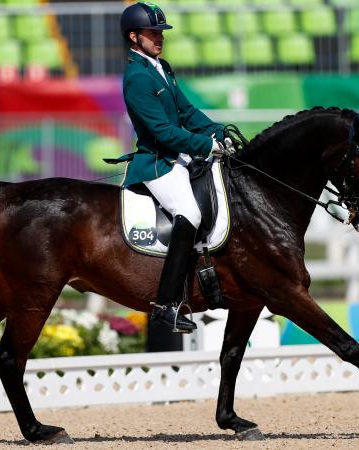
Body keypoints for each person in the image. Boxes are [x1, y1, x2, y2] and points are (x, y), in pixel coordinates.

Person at [114, 2, 234, 333]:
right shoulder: (137, 77)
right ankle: (166, 305)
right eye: (153, 33)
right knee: (190, 214)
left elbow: (186, 112)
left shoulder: (161, 67)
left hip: (179, 156)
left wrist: (217, 130)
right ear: (134, 37)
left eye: (161, 32)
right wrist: (205, 145)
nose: (159, 37)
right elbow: (162, 133)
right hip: (157, 162)